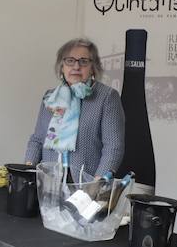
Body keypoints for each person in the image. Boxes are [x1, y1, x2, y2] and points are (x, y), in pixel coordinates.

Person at [23, 37, 126, 181]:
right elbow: (37, 139)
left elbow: (113, 146)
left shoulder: (107, 97)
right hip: (48, 180)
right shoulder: (50, 97)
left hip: (85, 183)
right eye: (70, 61)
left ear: (93, 68)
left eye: (83, 61)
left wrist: (98, 182)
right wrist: (28, 170)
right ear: (62, 67)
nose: (76, 67)